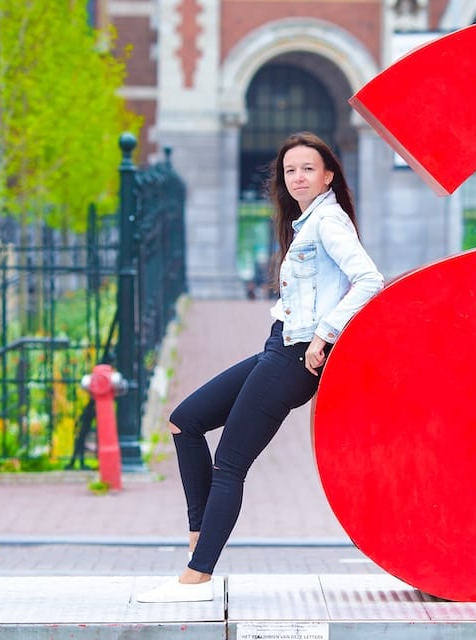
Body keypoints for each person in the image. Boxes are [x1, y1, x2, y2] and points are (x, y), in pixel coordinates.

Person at [136, 132, 385, 603]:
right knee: (184, 422)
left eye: (308, 169)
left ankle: (198, 574)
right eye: (290, 170)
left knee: (230, 463)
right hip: (278, 347)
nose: (298, 178)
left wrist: (325, 335)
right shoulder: (306, 222)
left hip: (294, 359)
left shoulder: (329, 221)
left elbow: (369, 279)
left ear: (328, 174)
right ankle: (197, 544)